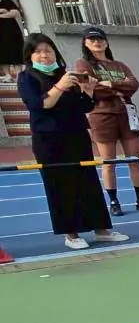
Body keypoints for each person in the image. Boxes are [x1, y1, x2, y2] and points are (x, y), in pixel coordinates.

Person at [17, 33, 128, 251]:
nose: (44, 56)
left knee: (88, 182)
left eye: (48, 51)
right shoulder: (27, 78)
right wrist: (60, 86)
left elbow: (85, 106)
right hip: (49, 139)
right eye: (38, 52)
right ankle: (71, 233)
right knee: (60, 185)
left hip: (76, 135)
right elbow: (41, 105)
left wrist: (88, 91)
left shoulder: (65, 74)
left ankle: (102, 229)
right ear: (30, 56)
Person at [76, 26, 139, 216]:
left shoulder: (120, 65)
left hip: (126, 113)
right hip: (102, 115)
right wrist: (119, 89)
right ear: (85, 43)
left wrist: (111, 84)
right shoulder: (83, 64)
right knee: (109, 162)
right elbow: (90, 88)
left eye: (100, 38)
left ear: (106, 42)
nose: (97, 42)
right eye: (92, 39)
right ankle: (114, 201)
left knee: (134, 160)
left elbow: (134, 84)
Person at [0, 0, 22, 79]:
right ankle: (8, 76)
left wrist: (3, 14)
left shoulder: (5, 0)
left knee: (16, 53)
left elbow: (16, 12)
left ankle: (20, 76)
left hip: (12, 32)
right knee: (3, 55)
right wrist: (3, 11)